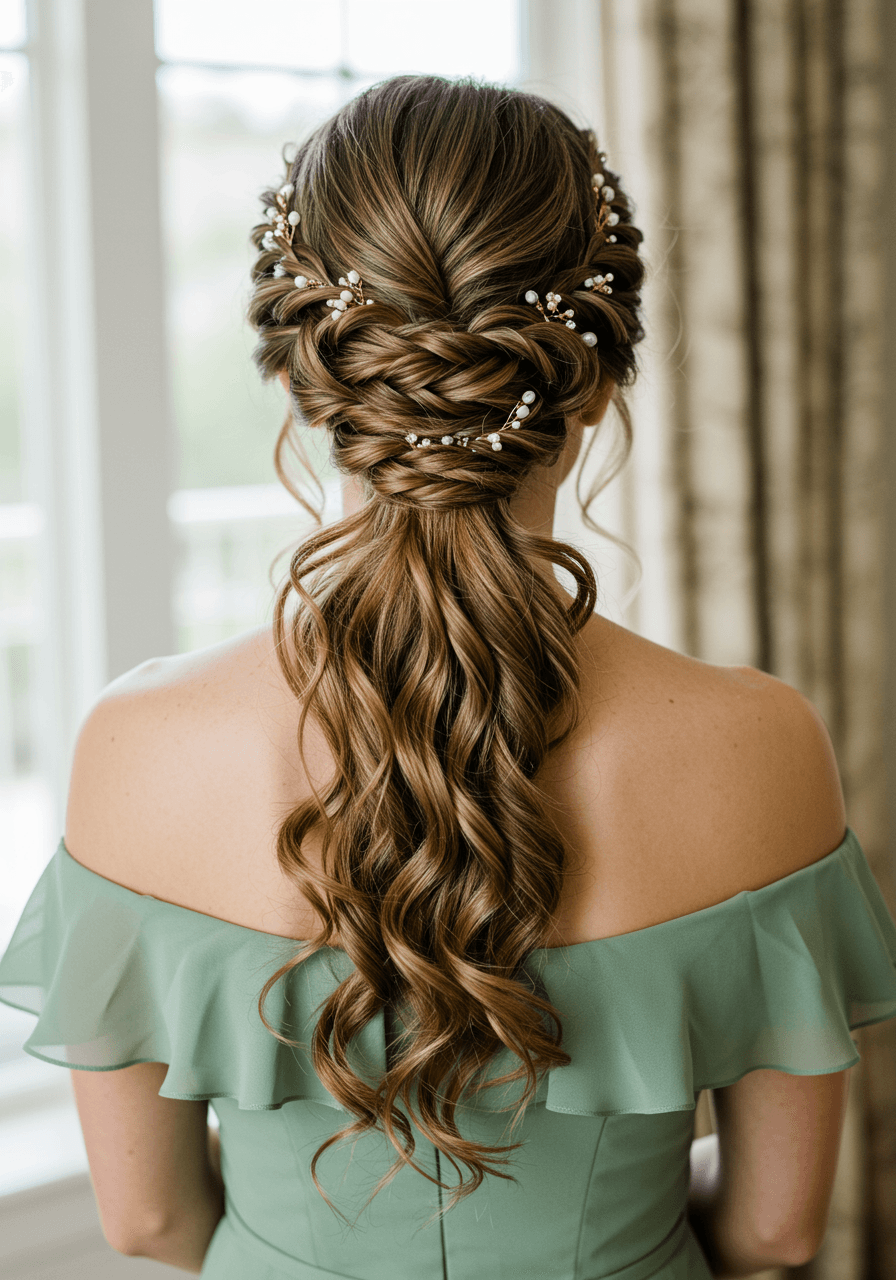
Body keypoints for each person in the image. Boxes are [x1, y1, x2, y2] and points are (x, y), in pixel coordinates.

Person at [2, 75, 896, 1280]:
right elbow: (774, 1230)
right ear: (596, 379)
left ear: (303, 378)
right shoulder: (760, 738)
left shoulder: (138, 740)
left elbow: (147, 1221)